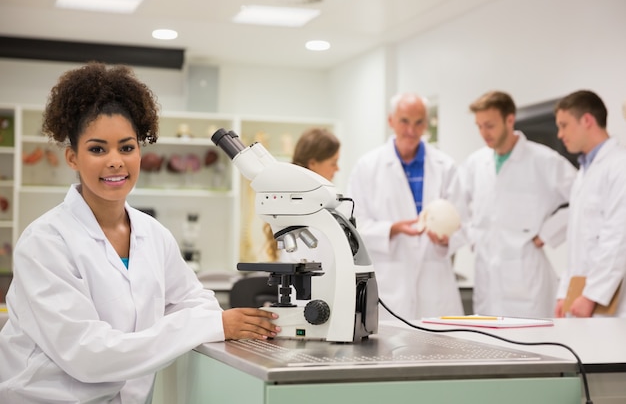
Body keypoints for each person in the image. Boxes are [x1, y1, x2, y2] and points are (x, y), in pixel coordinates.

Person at [0, 62, 279, 403]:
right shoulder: (45, 242)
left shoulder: (153, 234)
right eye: (97, 149)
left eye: (127, 147)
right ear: (72, 157)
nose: (115, 161)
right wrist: (213, 325)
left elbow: (194, 300)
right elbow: (89, 355)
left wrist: (228, 322)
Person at [448, 90, 577, 318]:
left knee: (533, 346)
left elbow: (581, 198)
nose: (483, 133)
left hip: (527, 278)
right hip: (487, 276)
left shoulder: (543, 160)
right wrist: (472, 235)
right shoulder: (476, 163)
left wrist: (548, 233)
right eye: (479, 126)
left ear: (510, 119)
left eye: (489, 125)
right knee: (489, 346)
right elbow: (455, 207)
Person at [346, 92, 464, 320]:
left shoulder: (445, 167)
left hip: (435, 282)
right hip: (390, 283)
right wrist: (393, 229)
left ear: (426, 123)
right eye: (404, 121)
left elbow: (463, 221)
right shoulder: (367, 167)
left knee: (440, 351)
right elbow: (354, 226)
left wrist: (446, 239)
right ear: (391, 121)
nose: (412, 129)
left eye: (419, 122)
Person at [554, 90, 626, 318]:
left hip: (606, 299)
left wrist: (592, 295)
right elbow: (578, 243)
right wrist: (565, 292)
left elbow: (618, 236)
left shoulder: (619, 166)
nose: (560, 134)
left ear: (587, 120)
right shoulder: (584, 173)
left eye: (564, 125)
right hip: (584, 295)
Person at [263, 127, 340, 261]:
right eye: (333, 163)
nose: (337, 168)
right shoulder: (303, 203)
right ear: (313, 163)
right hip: (305, 277)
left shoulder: (317, 199)